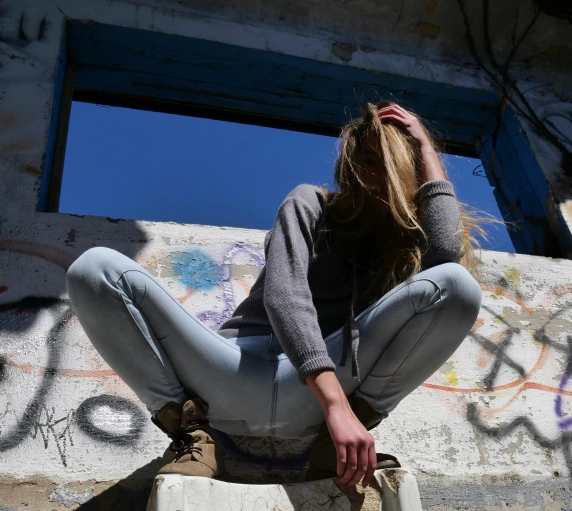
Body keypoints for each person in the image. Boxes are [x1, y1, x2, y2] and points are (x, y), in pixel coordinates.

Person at [67, 102, 482, 489]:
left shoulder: (403, 246)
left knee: (457, 286)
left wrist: (425, 147)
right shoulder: (311, 202)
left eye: (383, 161)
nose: (367, 174)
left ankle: (334, 448)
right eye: (362, 160)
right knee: (95, 268)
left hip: (314, 404)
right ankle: (191, 432)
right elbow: (285, 297)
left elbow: (445, 255)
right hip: (233, 372)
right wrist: (336, 406)